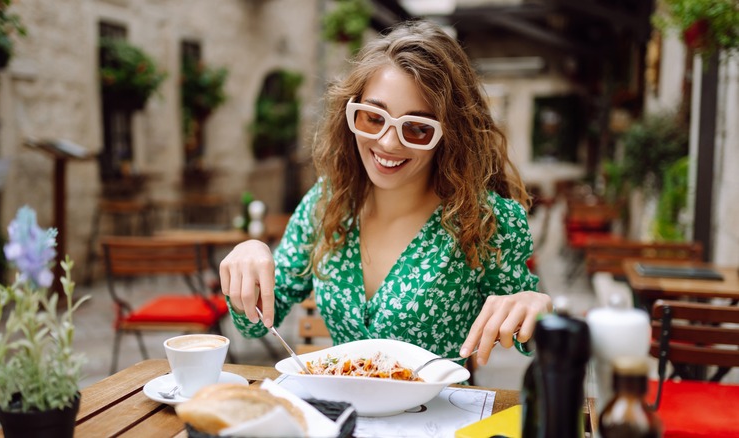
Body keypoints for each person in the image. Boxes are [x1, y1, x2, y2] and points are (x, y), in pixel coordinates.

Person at [219, 20, 551, 367]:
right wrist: (250, 254)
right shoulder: (327, 203)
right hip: (341, 416)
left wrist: (537, 309)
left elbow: (529, 338)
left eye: (418, 128)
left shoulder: (484, 221)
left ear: (451, 135)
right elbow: (254, 324)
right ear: (351, 113)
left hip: (437, 418)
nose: (388, 143)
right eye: (373, 118)